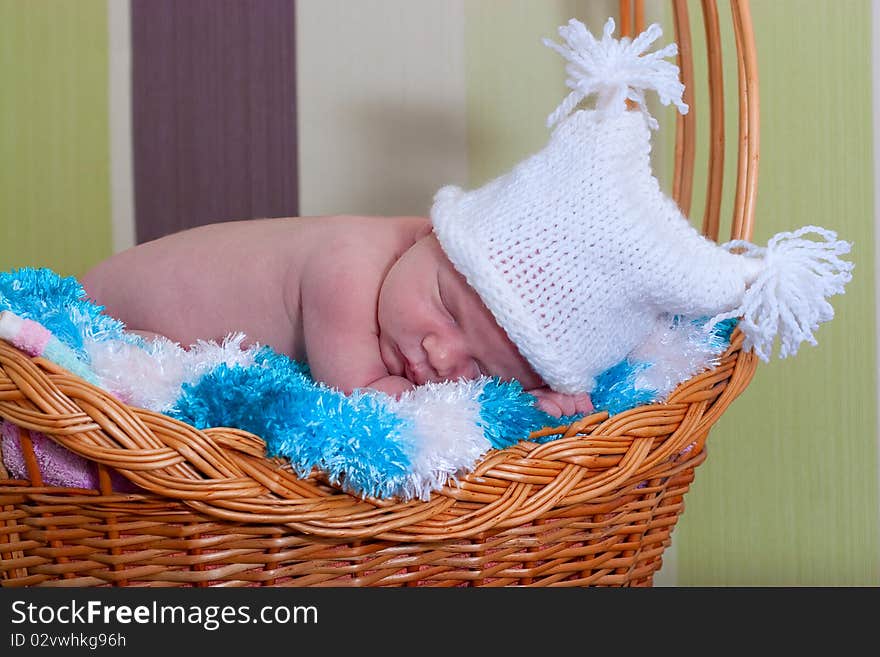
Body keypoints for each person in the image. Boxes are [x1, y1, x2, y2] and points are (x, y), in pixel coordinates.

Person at [80, 214, 594, 418]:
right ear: (427, 232)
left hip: (148, 326)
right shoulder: (346, 269)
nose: (442, 355)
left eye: (480, 369)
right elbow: (371, 406)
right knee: (135, 389)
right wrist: (522, 412)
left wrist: (537, 386)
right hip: (105, 318)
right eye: (446, 309)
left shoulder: (416, 266)